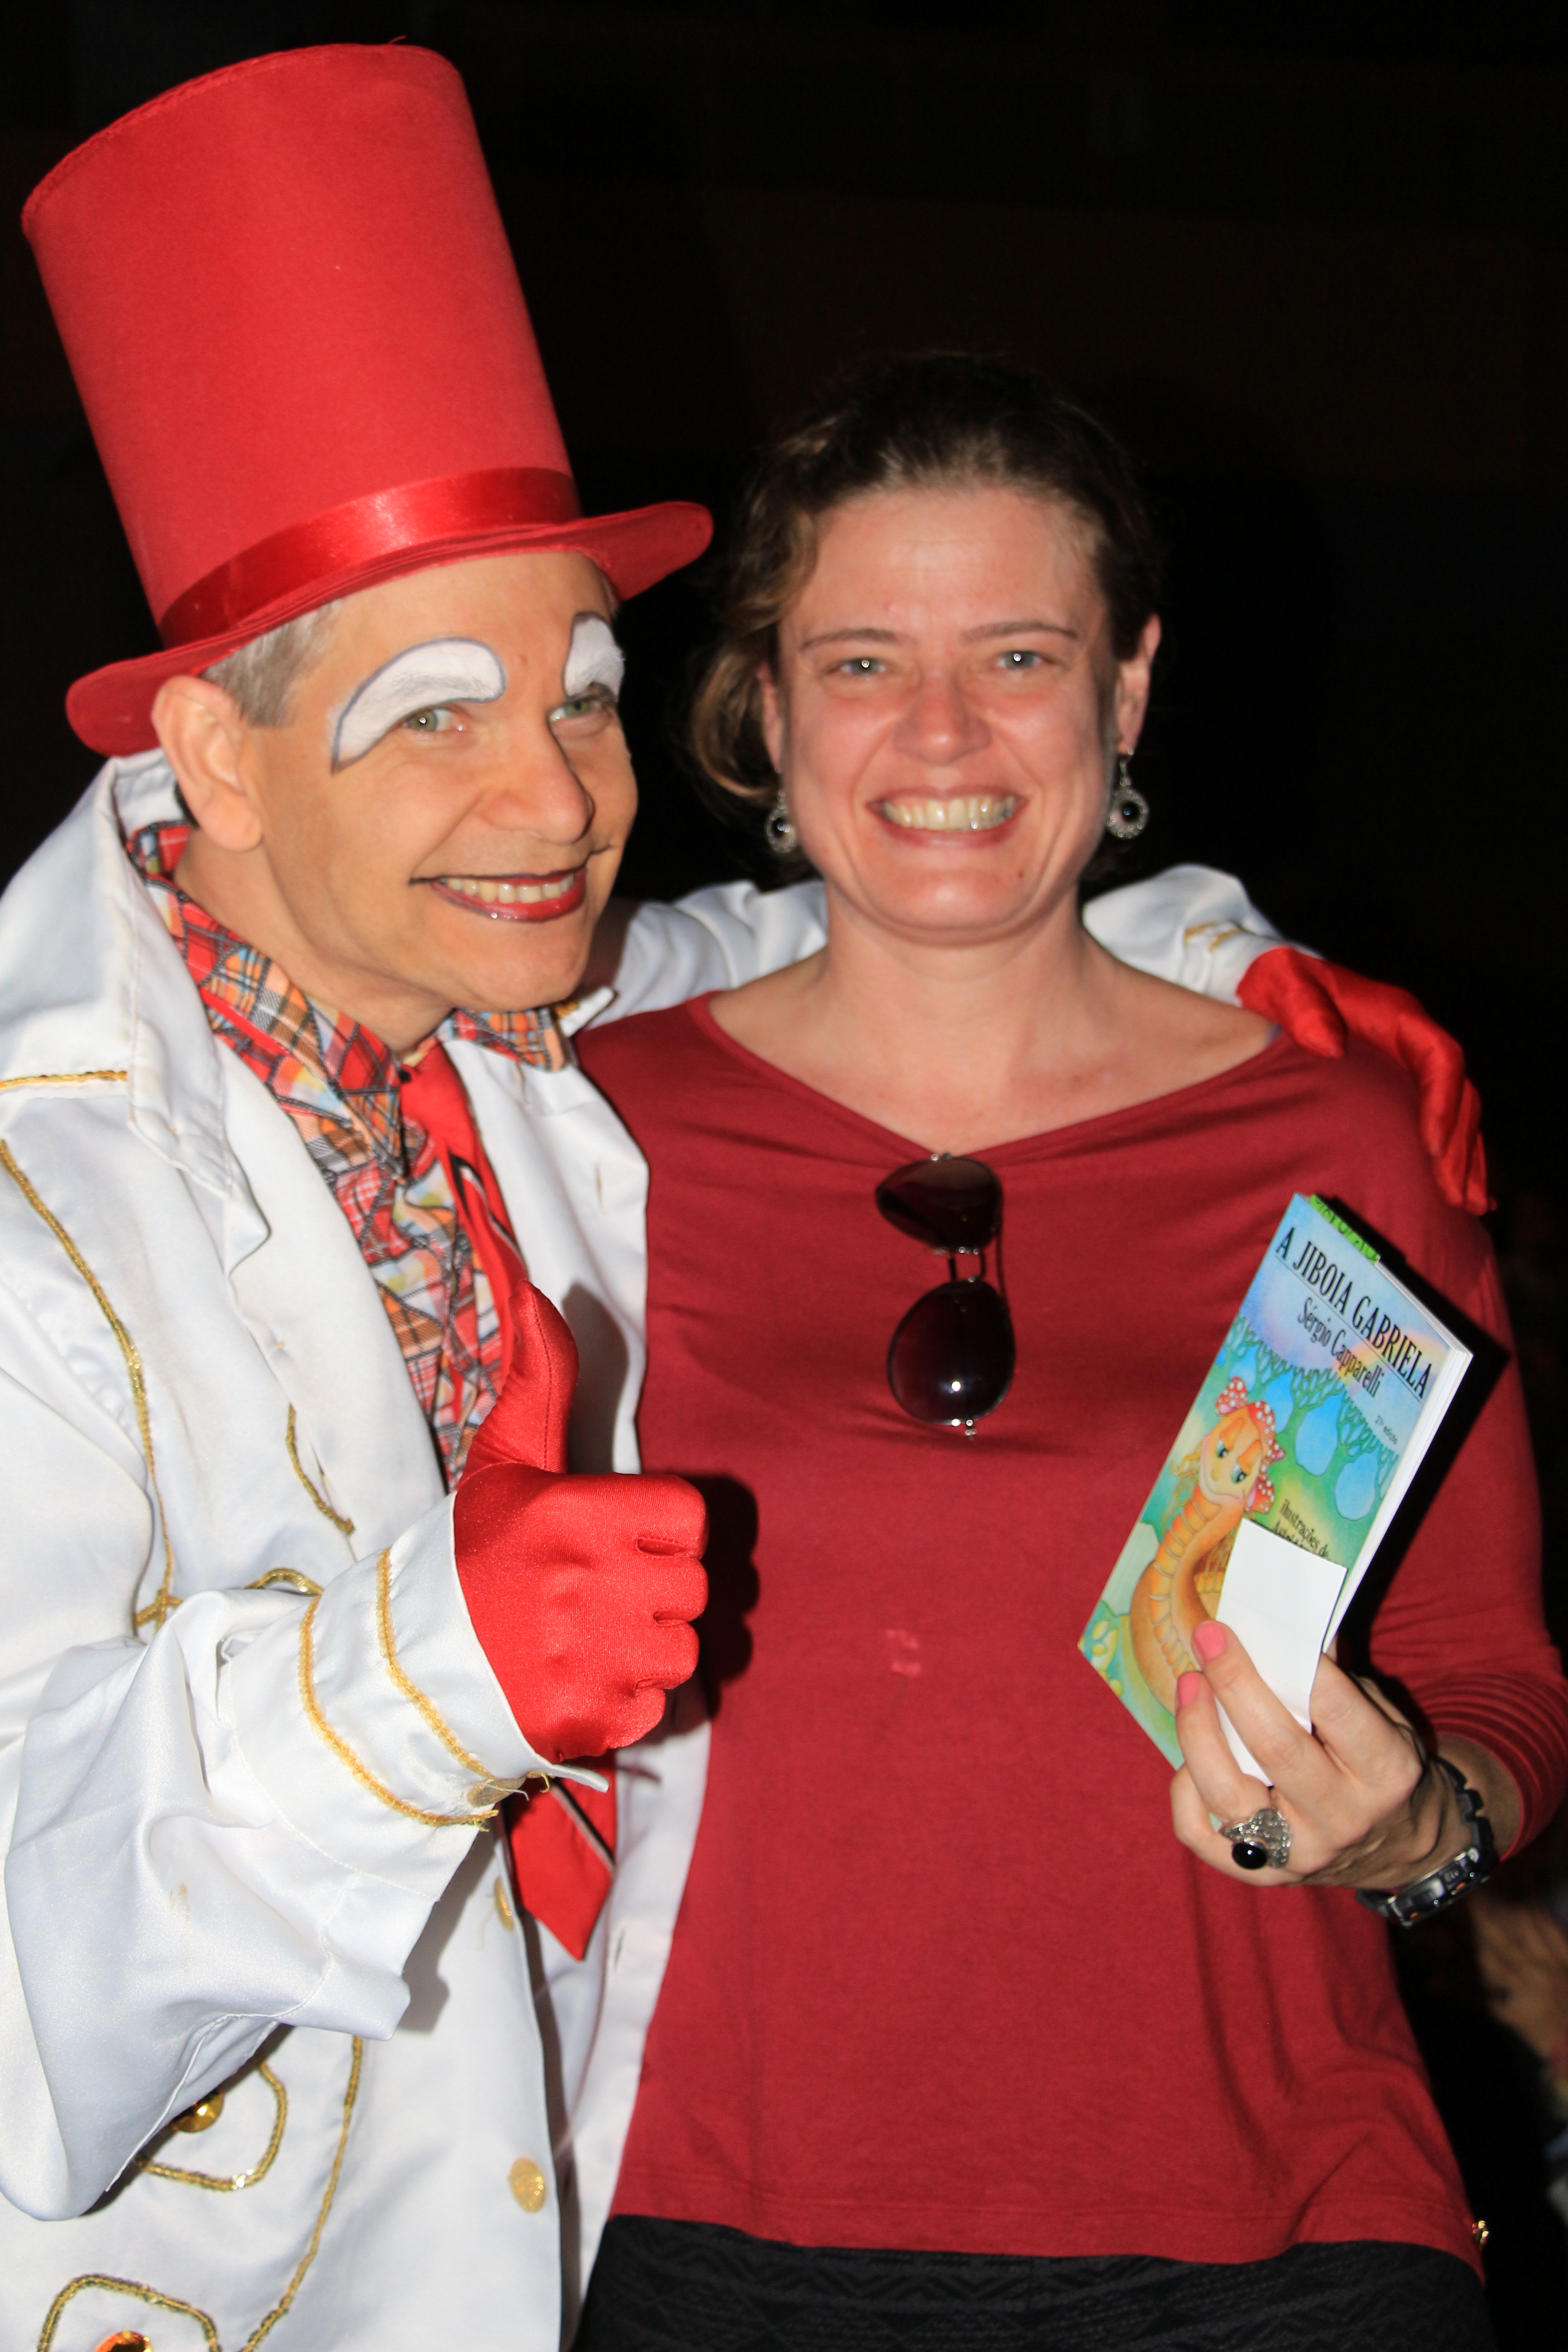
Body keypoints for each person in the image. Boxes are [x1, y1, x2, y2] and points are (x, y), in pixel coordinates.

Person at [0, 45, 1494, 2352]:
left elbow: (874, 922)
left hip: (1080, 2231)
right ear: (217, 749)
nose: (550, 807)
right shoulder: (81, 1211)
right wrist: (435, 1669)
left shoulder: (543, 1042)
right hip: (316, 2275)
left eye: (576, 698)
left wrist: (1211, 947)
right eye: (431, 712)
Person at [573, 353, 1568, 2352]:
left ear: (1125, 693)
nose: (942, 728)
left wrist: (1412, 1826)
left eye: (1019, 655)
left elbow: (1497, 1683)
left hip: (1276, 2244)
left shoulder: (1338, 1140)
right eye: (864, 660)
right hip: (703, 2235)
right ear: (767, 707)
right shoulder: (589, 1129)